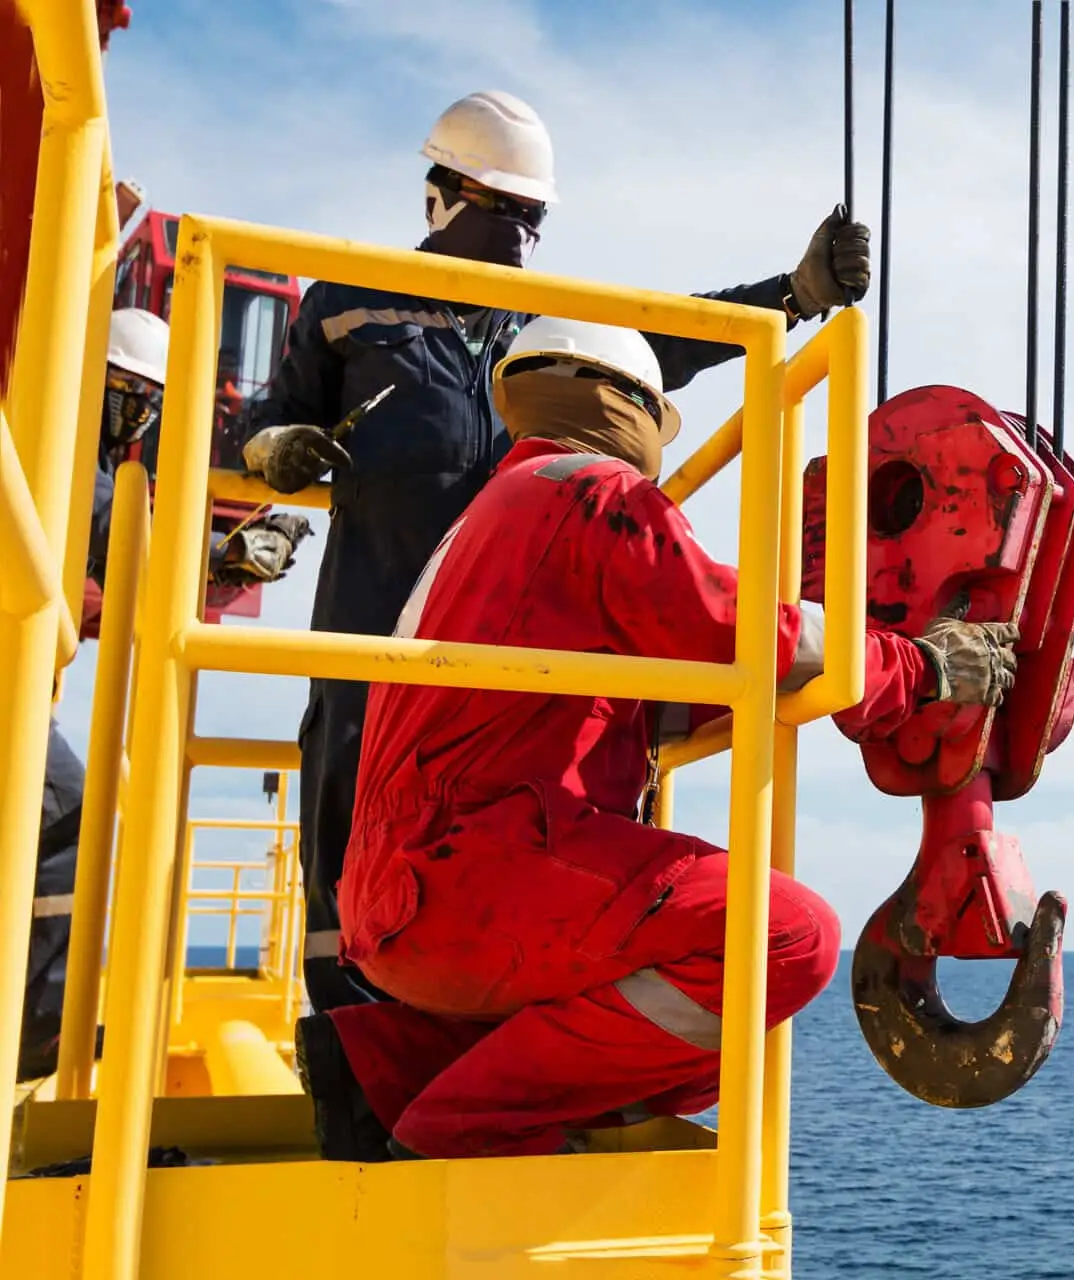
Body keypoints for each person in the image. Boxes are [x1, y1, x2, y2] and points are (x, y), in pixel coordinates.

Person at [292, 317, 1020, 1161]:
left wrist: (811, 685)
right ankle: (460, 1123)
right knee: (782, 940)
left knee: (701, 1026)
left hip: (400, 904)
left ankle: (385, 1066)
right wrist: (918, 666)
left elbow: (661, 684)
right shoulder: (588, 492)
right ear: (630, 408)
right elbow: (725, 622)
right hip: (477, 876)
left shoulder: (489, 522)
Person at [240, 89, 874, 1016]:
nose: (521, 236)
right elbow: (264, 419)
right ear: (441, 195)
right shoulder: (347, 302)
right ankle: (349, 1046)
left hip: (520, 649)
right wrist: (274, 452)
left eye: (532, 217)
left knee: (548, 823)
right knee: (348, 831)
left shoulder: (541, 317)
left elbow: (668, 334)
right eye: (505, 209)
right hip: (374, 632)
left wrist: (793, 295)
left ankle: (506, 1034)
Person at [18, 307, 310, 1082]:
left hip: (24, 683)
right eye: (126, 389)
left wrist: (224, 557)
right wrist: (230, 553)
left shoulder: (75, 447)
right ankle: (38, 1031)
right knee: (68, 819)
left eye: (149, 397)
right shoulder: (63, 444)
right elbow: (124, 544)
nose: (137, 409)